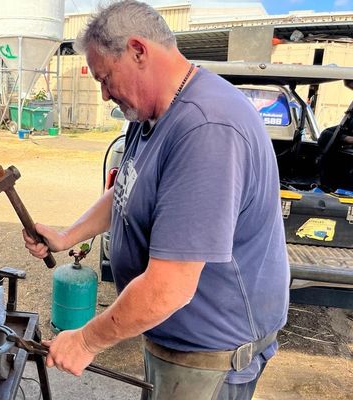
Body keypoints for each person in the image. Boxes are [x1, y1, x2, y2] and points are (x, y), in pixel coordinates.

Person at [23, 1, 290, 399]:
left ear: (138, 51)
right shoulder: (148, 114)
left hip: (210, 352)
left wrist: (85, 341)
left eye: (106, 78)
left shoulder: (205, 130)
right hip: (170, 334)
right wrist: (67, 236)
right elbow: (125, 190)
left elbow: (169, 288)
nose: (104, 94)